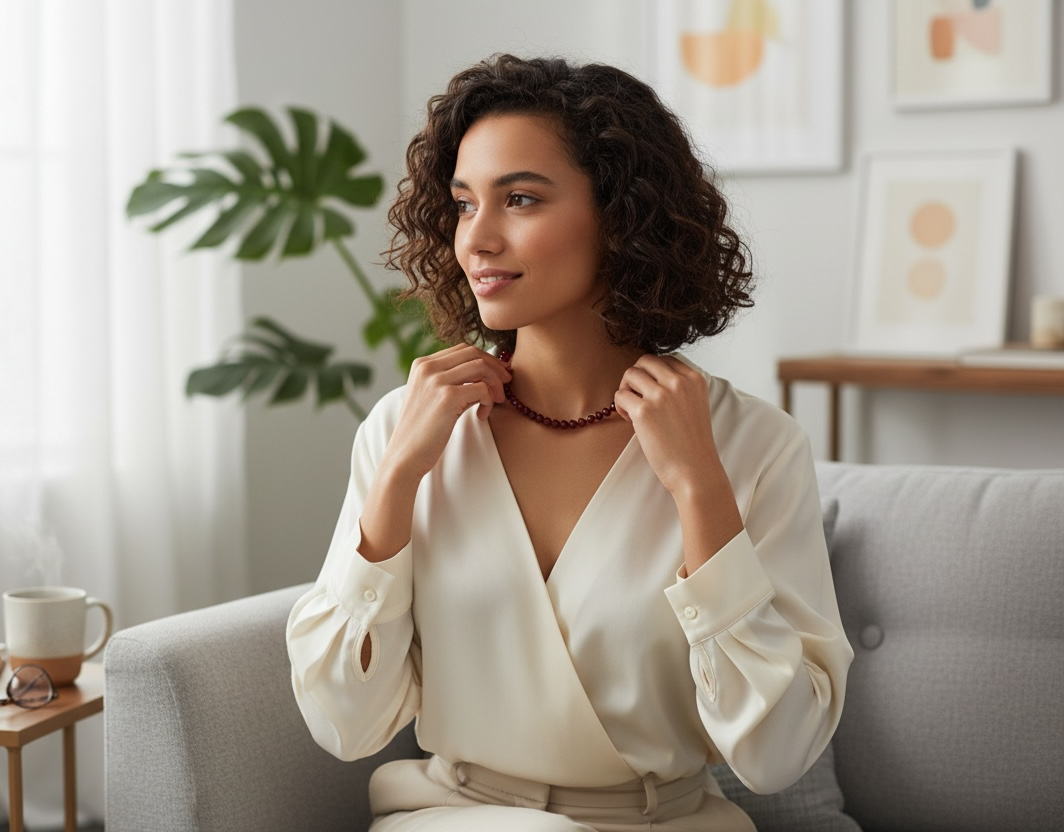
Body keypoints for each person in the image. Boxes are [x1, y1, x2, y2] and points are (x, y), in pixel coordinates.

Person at [286, 54, 852, 832]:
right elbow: (342, 722)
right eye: (461, 204)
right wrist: (396, 483)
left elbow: (777, 752)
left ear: (623, 215)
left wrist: (700, 493)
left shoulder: (753, 445)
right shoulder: (406, 427)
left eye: (519, 198)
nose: (477, 238)